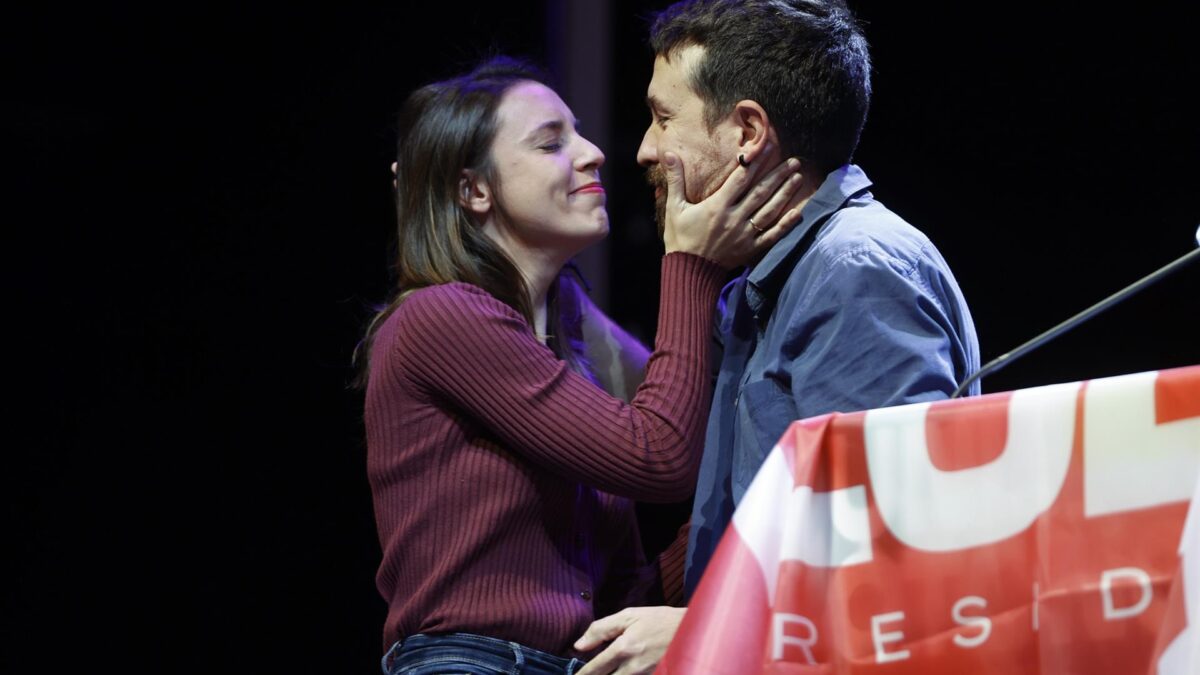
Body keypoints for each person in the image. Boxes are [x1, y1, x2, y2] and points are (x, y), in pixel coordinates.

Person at [360, 56, 807, 674]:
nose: (594, 152)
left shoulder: (564, 359)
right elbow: (660, 454)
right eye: (550, 143)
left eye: (577, 132)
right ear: (475, 190)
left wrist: (755, 520)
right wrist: (691, 264)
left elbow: (624, 596)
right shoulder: (441, 318)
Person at [573, 1, 980, 672]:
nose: (645, 147)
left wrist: (701, 628)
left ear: (748, 132)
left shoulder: (854, 271)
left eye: (664, 117)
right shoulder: (777, 281)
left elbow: (891, 553)